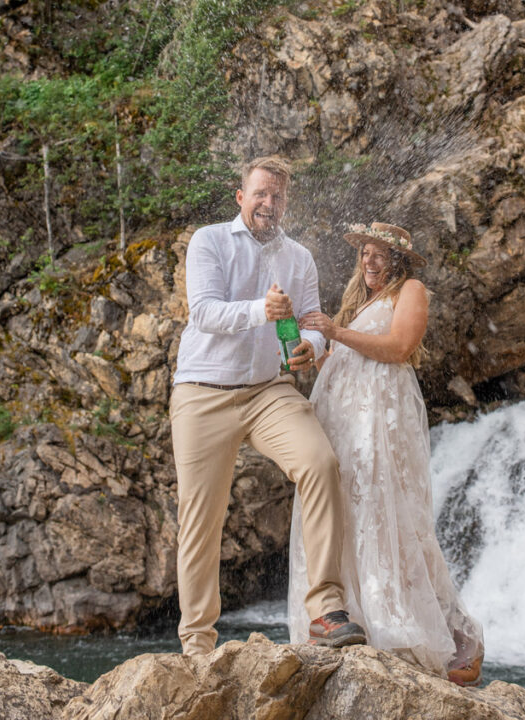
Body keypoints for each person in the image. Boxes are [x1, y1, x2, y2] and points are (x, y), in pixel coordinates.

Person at [170, 156, 366, 656]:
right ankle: (197, 643)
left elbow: (312, 323)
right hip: (202, 392)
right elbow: (205, 311)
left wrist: (311, 348)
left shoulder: (298, 257)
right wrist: (263, 309)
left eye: (277, 197)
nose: (269, 204)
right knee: (201, 514)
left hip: (268, 390)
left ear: (286, 203)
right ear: (241, 197)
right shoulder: (208, 241)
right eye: (260, 194)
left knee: (320, 463)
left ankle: (324, 608)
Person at [288, 221, 484, 685]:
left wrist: (336, 330)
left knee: (389, 511)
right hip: (345, 420)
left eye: (379, 253)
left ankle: (441, 635)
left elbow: (399, 347)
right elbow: (338, 359)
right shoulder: (360, 305)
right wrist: (311, 349)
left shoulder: (410, 289)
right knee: (347, 511)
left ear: (397, 261)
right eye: (365, 253)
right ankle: (351, 620)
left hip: (381, 417)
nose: (369, 260)